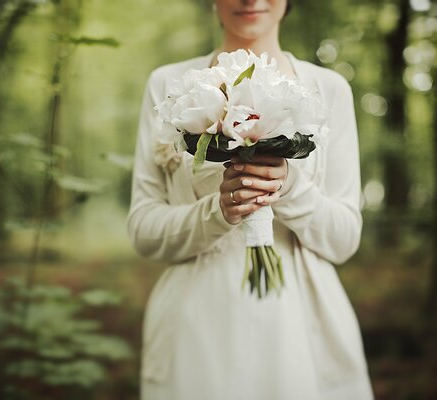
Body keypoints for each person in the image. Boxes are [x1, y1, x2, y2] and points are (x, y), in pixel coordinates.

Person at [127, 0, 374, 398]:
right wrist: (217, 211)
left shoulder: (329, 90)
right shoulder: (168, 85)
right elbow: (142, 229)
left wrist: (290, 188)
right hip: (196, 328)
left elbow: (344, 240)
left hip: (303, 325)